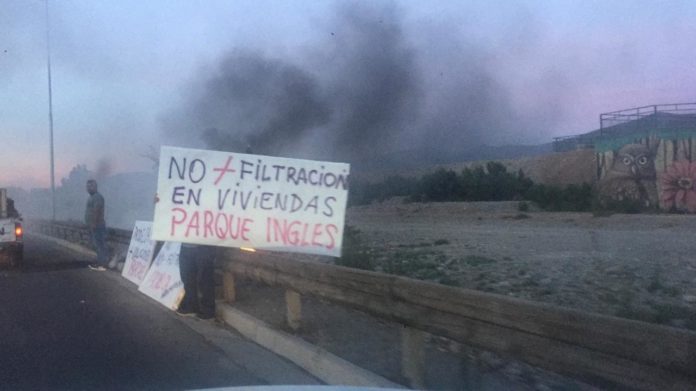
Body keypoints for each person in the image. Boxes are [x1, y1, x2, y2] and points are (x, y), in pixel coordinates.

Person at [176, 244, 216, 320]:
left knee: (205, 279)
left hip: (205, 246)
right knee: (187, 277)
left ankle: (208, 310)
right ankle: (191, 306)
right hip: (186, 245)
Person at [85, 179, 109, 271]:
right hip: (93, 225)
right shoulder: (92, 197)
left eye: (91, 186)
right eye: (87, 186)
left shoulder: (97, 197)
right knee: (97, 245)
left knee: (100, 245)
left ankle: (102, 265)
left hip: (97, 225)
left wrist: (94, 224)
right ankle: (99, 262)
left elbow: (97, 211)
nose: (88, 188)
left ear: (95, 187)